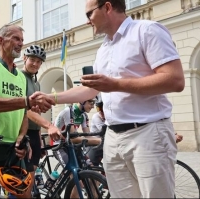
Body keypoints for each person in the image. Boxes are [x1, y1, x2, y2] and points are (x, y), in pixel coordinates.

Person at [31, 0, 185, 197]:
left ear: (108, 7)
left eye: (89, 14)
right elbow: (89, 90)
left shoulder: (147, 31)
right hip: (113, 137)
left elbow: (174, 80)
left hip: (148, 134)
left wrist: (115, 84)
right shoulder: (104, 48)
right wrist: (51, 97)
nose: (87, 22)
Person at [0, 24, 54, 198]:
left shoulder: (21, 77)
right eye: (15, 38)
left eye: (22, 40)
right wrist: (25, 101)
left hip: (12, 146)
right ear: (0, 40)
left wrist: (22, 136)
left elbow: (22, 113)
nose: (20, 43)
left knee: (19, 193)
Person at [20, 45, 61, 197]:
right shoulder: (19, 78)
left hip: (34, 133)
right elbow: (25, 111)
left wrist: (40, 139)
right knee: (24, 182)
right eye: (32, 60)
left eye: (39, 62)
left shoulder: (36, 83)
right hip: (23, 133)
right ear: (25, 58)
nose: (35, 64)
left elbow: (35, 112)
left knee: (30, 182)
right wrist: (48, 125)